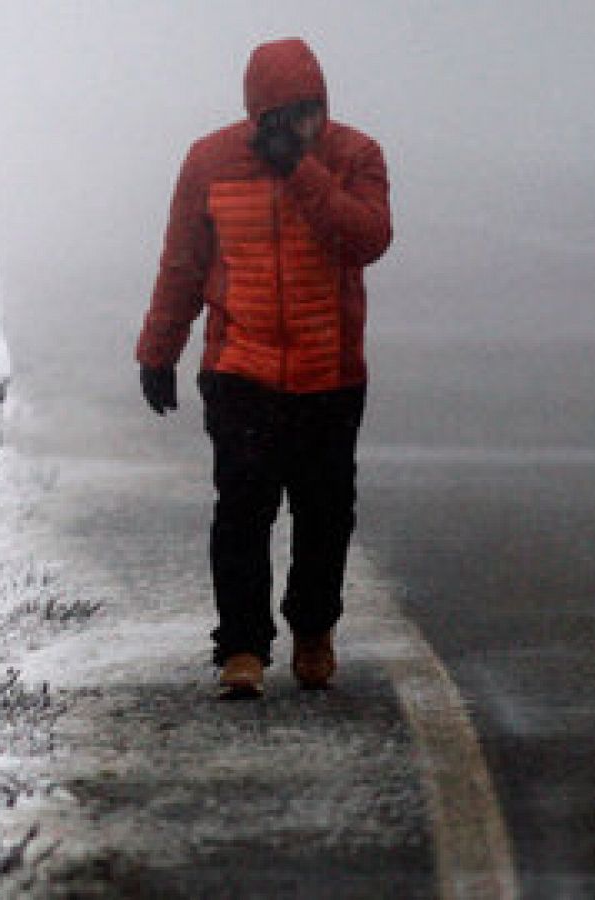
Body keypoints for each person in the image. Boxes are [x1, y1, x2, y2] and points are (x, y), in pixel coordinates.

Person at [135, 37, 392, 697]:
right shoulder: (210, 161)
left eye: (312, 112)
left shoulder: (355, 155)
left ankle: (313, 628)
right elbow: (184, 264)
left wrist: (303, 171)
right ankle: (242, 647)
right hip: (240, 370)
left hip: (330, 374)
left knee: (325, 512)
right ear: (258, 115)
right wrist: (158, 352)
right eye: (287, 116)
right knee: (243, 508)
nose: (303, 126)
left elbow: (368, 240)